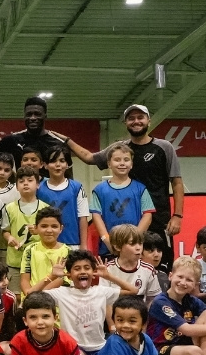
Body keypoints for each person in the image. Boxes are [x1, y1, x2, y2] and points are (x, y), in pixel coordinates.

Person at [65, 104, 185, 269]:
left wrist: (177, 215)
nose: (136, 121)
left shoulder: (164, 147)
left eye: (140, 117)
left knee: (159, 269)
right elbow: (89, 157)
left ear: (149, 121)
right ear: (126, 123)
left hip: (158, 220)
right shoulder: (120, 149)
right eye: (131, 118)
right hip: (129, 222)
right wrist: (66, 141)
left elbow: (177, 182)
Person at [35, 251, 137, 355]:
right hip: (74, 346)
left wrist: (109, 276)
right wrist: (52, 276)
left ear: (93, 273)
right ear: (69, 274)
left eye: (87, 268)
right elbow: (32, 295)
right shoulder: (62, 293)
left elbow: (133, 290)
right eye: (77, 269)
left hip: (99, 345)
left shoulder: (101, 291)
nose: (82, 271)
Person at [88, 144, 154, 256]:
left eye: (126, 160)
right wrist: (107, 240)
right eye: (117, 160)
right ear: (109, 164)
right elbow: (96, 217)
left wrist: (134, 241)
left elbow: (148, 215)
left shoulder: (140, 189)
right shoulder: (99, 191)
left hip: (135, 249)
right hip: (108, 250)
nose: (122, 163)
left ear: (131, 164)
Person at [0, 97, 73, 179]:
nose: (32, 118)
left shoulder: (58, 143)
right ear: (24, 116)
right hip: (22, 189)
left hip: (50, 191)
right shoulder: (12, 140)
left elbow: (68, 176)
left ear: (45, 116)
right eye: (29, 114)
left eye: (37, 114)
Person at [36, 147, 89, 252]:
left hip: (72, 244)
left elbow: (83, 218)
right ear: (45, 165)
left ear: (67, 164)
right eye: (53, 161)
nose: (58, 165)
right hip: (45, 246)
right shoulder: (38, 189)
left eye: (62, 161)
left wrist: (83, 245)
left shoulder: (77, 187)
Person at [101, 225, 162, 304]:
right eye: (132, 244)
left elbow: (153, 300)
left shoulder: (148, 269)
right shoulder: (107, 269)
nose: (138, 248)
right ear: (117, 247)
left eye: (140, 243)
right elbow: (105, 301)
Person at [19, 208, 70, 295]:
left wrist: (39, 295)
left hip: (56, 301)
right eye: (44, 226)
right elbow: (24, 280)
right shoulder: (30, 250)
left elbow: (62, 280)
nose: (49, 230)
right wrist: (30, 295)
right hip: (31, 299)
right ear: (36, 228)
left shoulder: (67, 252)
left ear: (61, 228)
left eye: (54, 226)